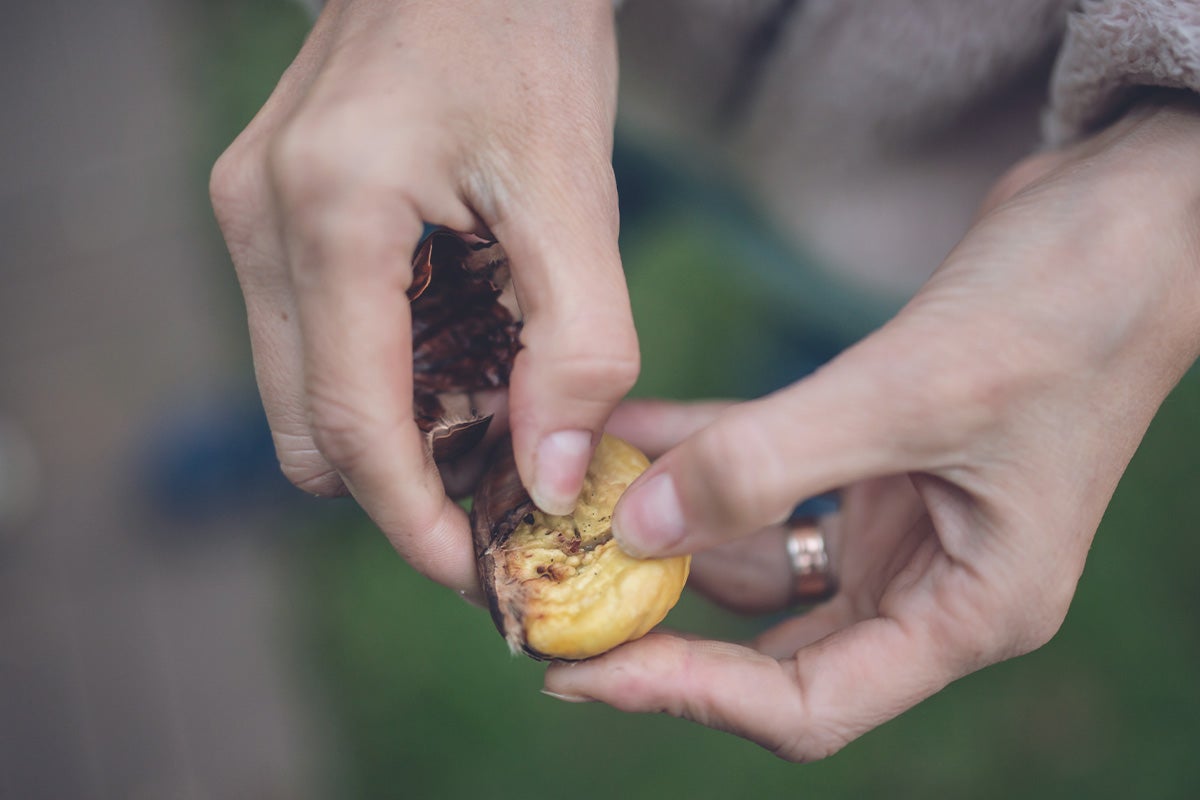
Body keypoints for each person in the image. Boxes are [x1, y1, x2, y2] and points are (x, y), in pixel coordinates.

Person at [210, 0, 1200, 760]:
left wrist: (1169, 183)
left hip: (931, 219)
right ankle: (309, 453)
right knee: (385, 339)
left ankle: (818, 545)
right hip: (571, 83)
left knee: (829, 414)